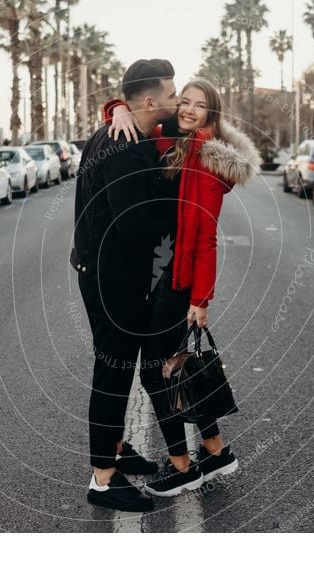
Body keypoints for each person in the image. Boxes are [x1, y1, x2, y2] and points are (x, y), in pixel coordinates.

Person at [105, 79, 260, 497]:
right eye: (184, 102)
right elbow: (138, 118)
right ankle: (216, 450)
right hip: (163, 268)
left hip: (179, 280)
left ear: (213, 113)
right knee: (176, 365)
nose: (188, 110)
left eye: (199, 106)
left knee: (157, 372)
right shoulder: (174, 140)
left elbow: (207, 236)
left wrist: (200, 299)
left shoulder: (207, 158)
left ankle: (182, 466)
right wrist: (118, 107)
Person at [71, 59, 179, 512]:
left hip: (102, 269)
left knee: (118, 366)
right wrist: (184, 212)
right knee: (113, 370)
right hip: (112, 277)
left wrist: (116, 107)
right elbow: (134, 225)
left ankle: (115, 449)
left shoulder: (117, 130)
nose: (175, 103)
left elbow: (192, 116)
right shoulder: (126, 146)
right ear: (151, 100)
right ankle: (103, 479)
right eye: (170, 95)